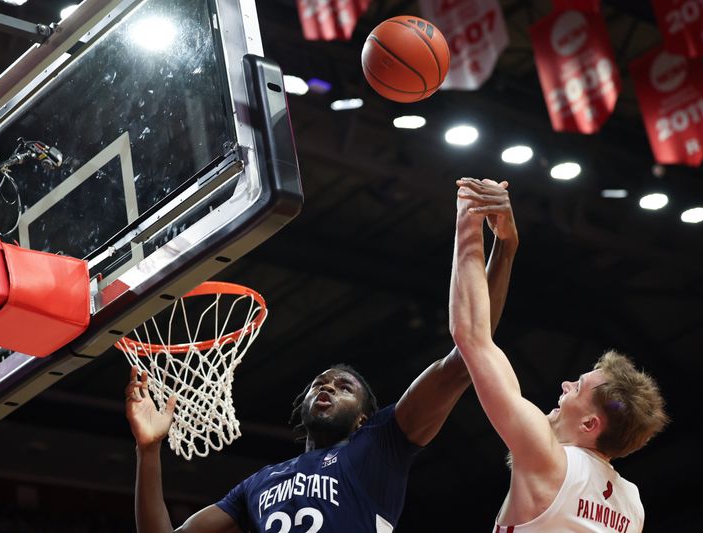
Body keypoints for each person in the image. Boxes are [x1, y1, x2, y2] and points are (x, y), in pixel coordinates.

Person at [125, 178, 519, 533]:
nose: (326, 386)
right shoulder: (258, 484)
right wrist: (148, 450)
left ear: (364, 417)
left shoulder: (382, 444)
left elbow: (464, 357)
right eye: (319, 383)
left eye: (344, 386)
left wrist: (504, 247)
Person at [449, 179, 669, 533]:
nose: (565, 385)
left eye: (578, 387)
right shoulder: (633, 506)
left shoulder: (548, 458)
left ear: (589, 425)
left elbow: (472, 335)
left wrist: (468, 218)